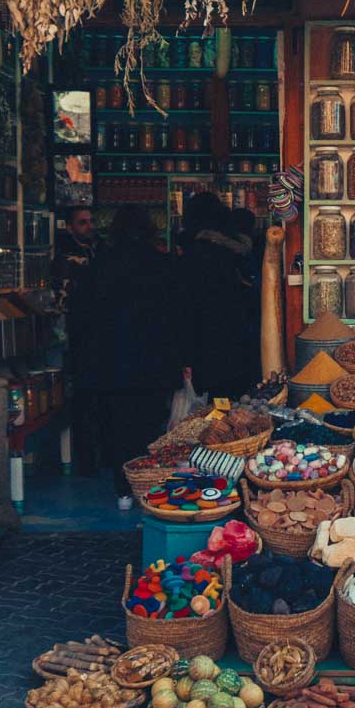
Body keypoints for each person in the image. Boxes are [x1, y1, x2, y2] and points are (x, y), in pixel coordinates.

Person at [84, 206, 185, 508]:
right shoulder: (164, 265)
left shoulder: (101, 265)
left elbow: (89, 317)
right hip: (155, 361)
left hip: (113, 362)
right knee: (153, 427)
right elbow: (177, 315)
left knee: (118, 428)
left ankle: (123, 489)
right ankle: (151, 490)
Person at [178, 192, 258, 401]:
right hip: (242, 342)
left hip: (208, 346)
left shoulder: (195, 255)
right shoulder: (241, 251)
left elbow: (187, 308)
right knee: (240, 409)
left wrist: (185, 356)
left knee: (214, 414)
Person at [53, 206, 101, 477]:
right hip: (77, 333)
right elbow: (64, 300)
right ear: (70, 227)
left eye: (91, 220)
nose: (89, 226)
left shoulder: (97, 251)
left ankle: (94, 452)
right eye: (82, 222)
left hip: (96, 334)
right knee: (82, 396)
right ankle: (85, 458)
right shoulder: (65, 257)